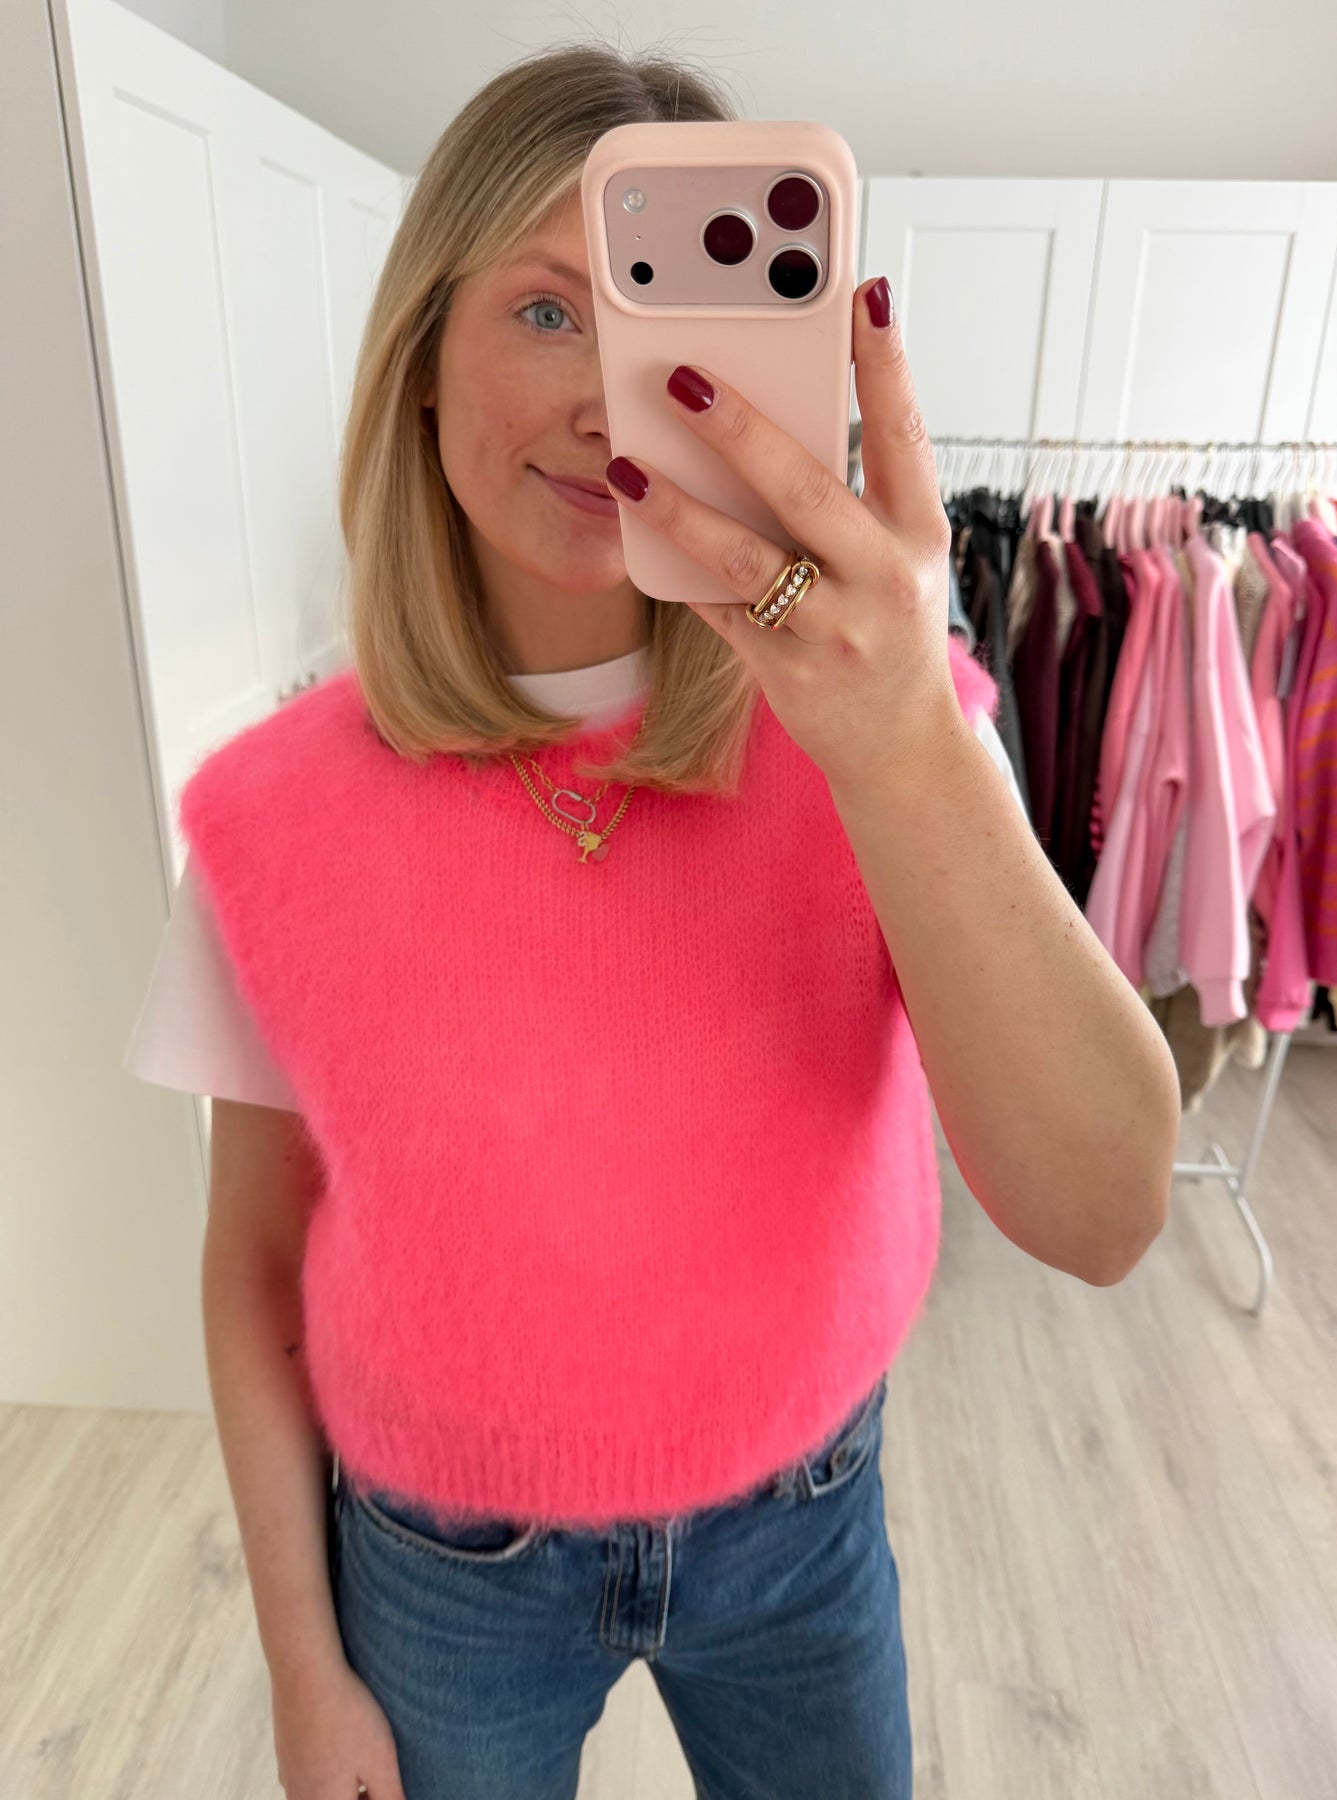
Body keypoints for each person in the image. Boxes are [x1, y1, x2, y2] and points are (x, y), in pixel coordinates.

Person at [167, 40, 1182, 1800]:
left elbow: (1101, 1214)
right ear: (420, 359)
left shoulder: (891, 733)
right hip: (440, 1575)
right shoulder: (267, 816)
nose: (603, 402)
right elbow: (254, 1263)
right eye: (544, 313)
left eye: (661, 329)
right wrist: (300, 1671)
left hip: (804, 1528)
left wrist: (899, 743)